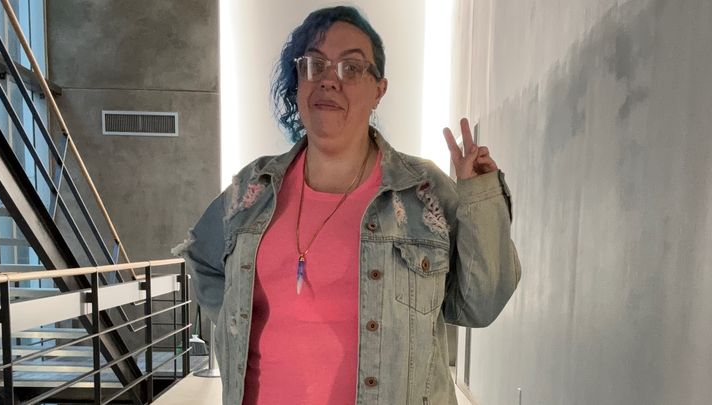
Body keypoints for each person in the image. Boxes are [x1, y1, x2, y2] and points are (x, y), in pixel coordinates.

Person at [173, 6, 520, 405]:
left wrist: (480, 195)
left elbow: (481, 305)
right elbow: (202, 257)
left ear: (378, 90)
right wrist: (237, 319)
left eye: (351, 68)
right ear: (297, 81)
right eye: (314, 65)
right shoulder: (252, 189)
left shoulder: (422, 192)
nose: (329, 80)